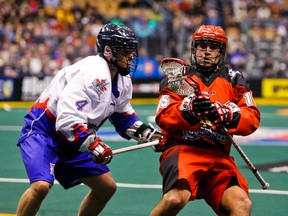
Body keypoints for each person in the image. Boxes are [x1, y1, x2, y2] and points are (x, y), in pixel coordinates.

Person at [16, 23, 161, 216]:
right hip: (44, 133)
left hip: (72, 139)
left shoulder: (123, 79)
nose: (131, 56)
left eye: (131, 50)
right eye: (126, 51)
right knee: (41, 186)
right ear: (109, 51)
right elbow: (66, 120)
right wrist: (94, 145)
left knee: (106, 187)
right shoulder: (89, 73)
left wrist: (149, 134)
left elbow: (123, 116)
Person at [150, 25, 261, 216]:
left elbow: (252, 117)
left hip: (218, 156)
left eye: (213, 47)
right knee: (175, 198)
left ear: (222, 51)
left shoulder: (235, 80)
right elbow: (164, 115)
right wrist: (189, 110)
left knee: (242, 204)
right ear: (194, 49)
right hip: (184, 149)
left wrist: (229, 115)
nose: (206, 52)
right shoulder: (178, 77)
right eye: (202, 46)